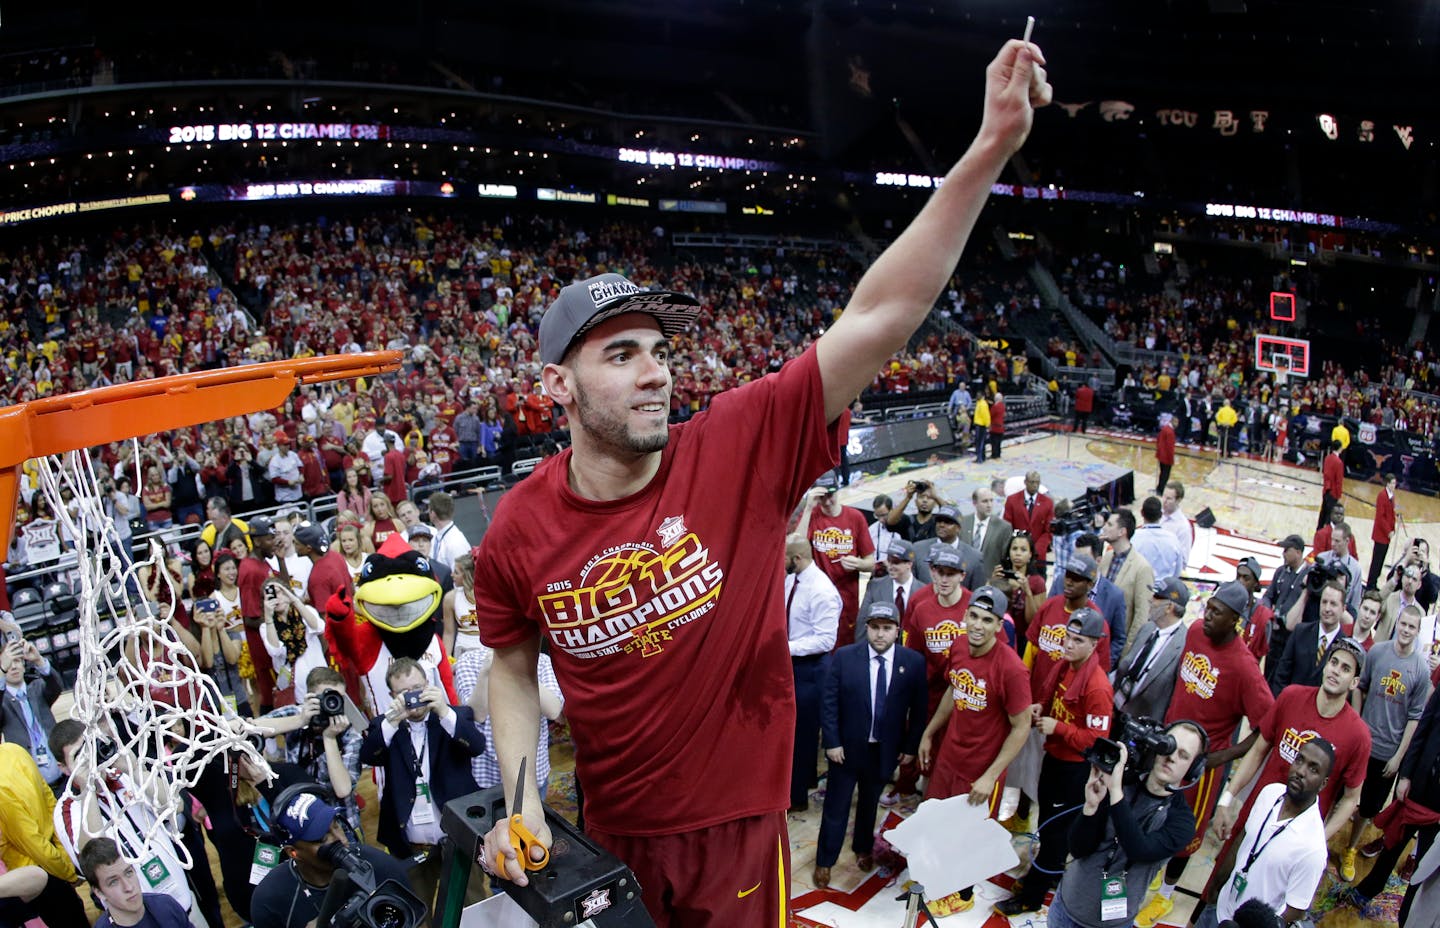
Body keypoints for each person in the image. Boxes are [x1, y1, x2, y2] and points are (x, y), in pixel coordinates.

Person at [474, 37, 1054, 926]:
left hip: (737, 828)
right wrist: (520, 797)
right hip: (610, 828)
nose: (656, 374)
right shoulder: (517, 529)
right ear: (556, 385)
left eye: (661, 352)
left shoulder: (737, 443)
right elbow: (512, 665)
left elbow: (882, 313)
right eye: (621, 355)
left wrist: (987, 150)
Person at [1136, 581, 1275, 928]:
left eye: (1216, 612)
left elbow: (1267, 727)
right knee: (1154, 812)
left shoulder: (1245, 669)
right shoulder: (1196, 632)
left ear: (1236, 621)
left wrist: (1224, 755)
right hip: (1168, 747)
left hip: (1200, 768)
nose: (1206, 615)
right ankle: (1154, 872)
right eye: (1208, 607)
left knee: (1185, 837)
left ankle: (1166, 896)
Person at [916, 587, 1031, 916]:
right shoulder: (960, 646)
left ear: (999, 625)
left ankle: (963, 894)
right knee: (939, 822)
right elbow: (954, 690)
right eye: (974, 616)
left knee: (969, 835)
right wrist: (929, 732)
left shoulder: (1011, 670)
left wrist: (990, 777)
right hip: (950, 755)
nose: (978, 625)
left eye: (988, 619)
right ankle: (941, 877)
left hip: (981, 769)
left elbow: (1021, 726)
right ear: (965, 616)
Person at [999, 608, 1113, 916]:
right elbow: (1053, 699)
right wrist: (1041, 707)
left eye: (1078, 640)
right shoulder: (1065, 667)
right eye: (1067, 637)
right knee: (1048, 825)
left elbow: (1096, 739)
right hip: (1055, 759)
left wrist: (1058, 727)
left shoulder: (1098, 687)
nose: (1069, 644)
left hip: (1074, 770)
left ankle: (1031, 898)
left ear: (1094, 645)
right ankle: (1049, 876)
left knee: (1054, 834)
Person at [1212, 639, 1372, 847]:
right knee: (1225, 875)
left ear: (1354, 682)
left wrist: (1318, 841)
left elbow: (1351, 799)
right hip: (1256, 815)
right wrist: (1227, 798)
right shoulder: (1291, 697)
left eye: (1345, 668)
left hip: (1297, 838)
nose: (1335, 671)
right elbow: (1258, 750)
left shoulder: (1358, 736)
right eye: (1334, 662)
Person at [813, 602, 927, 891]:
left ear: (897, 631)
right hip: (846, 750)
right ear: (867, 628)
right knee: (836, 806)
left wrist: (911, 747)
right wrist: (832, 741)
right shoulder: (845, 657)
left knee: (868, 803)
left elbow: (918, 709)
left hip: (883, 751)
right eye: (875, 628)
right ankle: (825, 861)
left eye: (887, 628)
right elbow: (829, 703)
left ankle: (862, 847)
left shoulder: (912, 662)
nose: (880, 635)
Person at [1045, 726, 1203, 928]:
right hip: (1065, 908)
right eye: (1168, 747)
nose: (1171, 757)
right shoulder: (1122, 782)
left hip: (1113, 923)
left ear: (1192, 769)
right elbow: (1078, 848)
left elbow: (1139, 849)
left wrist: (1115, 793)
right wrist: (1090, 807)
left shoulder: (1181, 822)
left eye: (1183, 755)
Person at [359, 657, 485, 908]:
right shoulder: (385, 725)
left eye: (418, 688)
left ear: (428, 685)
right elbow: (368, 755)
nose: (413, 697)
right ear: (392, 695)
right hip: (411, 843)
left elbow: (477, 746)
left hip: (457, 837)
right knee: (414, 907)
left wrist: (444, 711)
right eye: (405, 692)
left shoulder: (453, 717)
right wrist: (393, 719)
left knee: (471, 903)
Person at [1193, 740, 1333, 928]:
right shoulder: (1270, 793)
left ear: (1323, 784)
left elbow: (1297, 908)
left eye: (1313, 769)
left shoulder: (1312, 848)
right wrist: (1216, 887)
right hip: (1218, 907)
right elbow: (1244, 838)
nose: (1301, 771)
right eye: (1300, 760)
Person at [1338, 605, 1430, 881]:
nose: (1405, 630)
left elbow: (1415, 719)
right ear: (1396, 623)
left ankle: (1351, 848)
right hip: (1362, 743)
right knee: (1343, 794)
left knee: (1368, 807)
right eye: (1403, 624)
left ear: (1417, 631)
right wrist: (1357, 723)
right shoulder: (1377, 652)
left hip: (1388, 752)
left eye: (1412, 627)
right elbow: (1360, 686)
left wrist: (1399, 757)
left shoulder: (1421, 671)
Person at [250, 788, 413, 928]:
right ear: (293, 852)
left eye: (337, 825)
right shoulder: (270, 901)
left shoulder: (380, 867)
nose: (340, 839)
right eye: (322, 838)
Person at [251, 667, 364, 832]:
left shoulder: (349, 733)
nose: (331, 703)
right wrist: (299, 720)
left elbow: (343, 790)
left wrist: (330, 738)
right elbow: (245, 728)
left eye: (337, 698)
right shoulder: (298, 714)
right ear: (310, 698)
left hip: (341, 824)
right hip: (301, 820)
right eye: (325, 697)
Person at [0, 742, 87, 926]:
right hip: (53, 861)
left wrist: (67, 873)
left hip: (38, 874)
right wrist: (65, 859)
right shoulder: (15, 750)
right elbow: (51, 805)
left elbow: (31, 842)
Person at [783, 535, 841, 812]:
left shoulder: (822, 590)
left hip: (811, 670)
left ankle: (797, 798)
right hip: (793, 664)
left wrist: (784, 647)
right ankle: (796, 785)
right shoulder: (791, 580)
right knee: (791, 735)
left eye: (784, 557)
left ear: (797, 559)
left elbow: (826, 640)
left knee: (803, 737)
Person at [798, 480, 876, 645]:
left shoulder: (855, 517)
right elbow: (796, 545)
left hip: (847, 597)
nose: (826, 502)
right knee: (817, 643)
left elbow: (871, 562)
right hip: (815, 595)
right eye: (822, 497)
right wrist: (808, 508)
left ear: (838, 491)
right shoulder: (811, 515)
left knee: (843, 646)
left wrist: (857, 563)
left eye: (830, 496)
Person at [1111, 578, 1189, 722]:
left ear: (1169, 607)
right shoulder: (1148, 628)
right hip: (1115, 709)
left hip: (1143, 724)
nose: (1150, 600)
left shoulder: (1184, 645)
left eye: (1157, 597)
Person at [79, 837, 190, 928]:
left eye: (128, 873)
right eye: (113, 882)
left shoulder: (165, 905)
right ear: (99, 892)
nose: (128, 887)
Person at [0, 636, 65, 787]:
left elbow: (56, 686)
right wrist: (2, 669)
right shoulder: (3, 700)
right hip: (30, 782)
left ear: (23, 665)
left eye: (17, 661)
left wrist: (38, 661)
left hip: (62, 773)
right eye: (9, 664)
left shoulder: (37, 688)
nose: (14, 667)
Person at [1272, 581, 1350, 694]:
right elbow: (1281, 675)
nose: (1327, 608)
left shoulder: (1345, 647)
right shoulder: (1300, 632)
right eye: (1324, 602)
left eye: (1333, 604)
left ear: (1343, 608)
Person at [1098, 509, 1154, 663]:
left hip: (1115, 647)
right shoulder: (1107, 557)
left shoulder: (1142, 568)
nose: (1104, 527)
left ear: (1122, 531)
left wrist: (1126, 653)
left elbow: (1141, 615)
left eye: (1110, 524)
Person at [856, 539, 921, 644]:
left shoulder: (922, 591)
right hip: (881, 648)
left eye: (896, 562)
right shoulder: (875, 586)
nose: (890, 566)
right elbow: (862, 623)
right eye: (889, 560)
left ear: (909, 564)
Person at [912, 505, 984, 586]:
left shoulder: (974, 557)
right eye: (939, 521)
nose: (941, 525)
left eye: (948, 522)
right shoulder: (918, 549)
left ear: (958, 528)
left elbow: (976, 592)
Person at [960, 485, 1014, 583]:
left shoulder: (1003, 527)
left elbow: (1005, 559)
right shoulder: (962, 523)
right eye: (985, 501)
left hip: (990, 581)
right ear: (974, 503)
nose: (989, 505)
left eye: (991, 501)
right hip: (963, 580)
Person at [1003, 471, 1055, 564]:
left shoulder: (1048, 503)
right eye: (1032, 482)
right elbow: (1007, 526)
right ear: (1025, 482)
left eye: (1037, 482)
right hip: (1017, 554)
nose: (1035, 485)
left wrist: (1036, 549)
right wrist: (1020, 546)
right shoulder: (1012, 500)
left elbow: (1049, 530)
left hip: (1038, 555)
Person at [1132, 496, 1185, 582]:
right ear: (1161, 514)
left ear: (1142, 513)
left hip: (1139, 588)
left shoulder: (1133, 538)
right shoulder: (1173, 539)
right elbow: (1178, 571)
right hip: (1165, 590)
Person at [426, 491, 471, 573]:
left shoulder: (455, 543)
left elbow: (463, 579)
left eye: (428, 509)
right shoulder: (436, 536)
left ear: (433, 513)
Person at [1159, 484, 1193, 569]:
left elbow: (1183, 561)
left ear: (1178, 500)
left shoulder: (1183, 527)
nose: (1164, 501)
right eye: (1164, 496)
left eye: (1169, 498)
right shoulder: (1157, 514)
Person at [1319, 440, 1344, 530]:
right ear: (1340, 448)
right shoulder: (1339, 462)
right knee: (1330, 515)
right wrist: (1339, 494)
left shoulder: (1327, 458)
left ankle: (1319, 531)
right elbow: (1339, 480)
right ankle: (1327, 533)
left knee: (1323, 513)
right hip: (1333, 491)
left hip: (1326, 489)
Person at [1155, 415, 1176, 495]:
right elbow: (1170, 447)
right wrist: (1172, 459)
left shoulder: (1164, 428)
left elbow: (1158, 439)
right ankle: (1161, 490)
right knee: (1165, 475)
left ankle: (1159, 488)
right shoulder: (1170, 432)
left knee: (1162, 473)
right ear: (1173, 421)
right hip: (1166, 457)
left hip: (1161, 455)